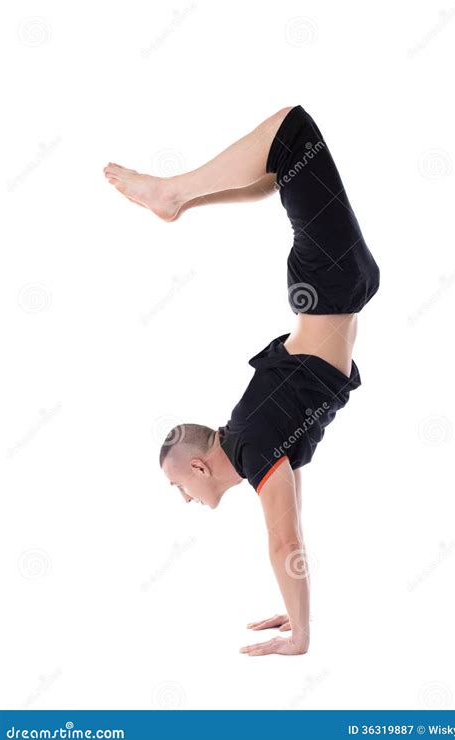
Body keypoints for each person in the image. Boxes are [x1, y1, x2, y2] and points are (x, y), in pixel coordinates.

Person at [103, 105, 380, 656]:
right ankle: (178, 199)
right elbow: (291, 539)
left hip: (332, 279)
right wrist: (296, 607)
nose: (183, 497)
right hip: (337, 281)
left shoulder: (254, 445)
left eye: (178, 485)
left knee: (290, 132)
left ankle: (174, 193)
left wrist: (301, 638)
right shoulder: (266, 452)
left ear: (200, 465)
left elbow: (284, 543)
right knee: (278, 167)